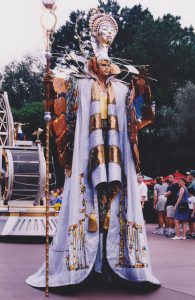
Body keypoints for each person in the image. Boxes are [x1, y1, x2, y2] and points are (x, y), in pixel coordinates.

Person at [26, 8, 159, 287]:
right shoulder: (82, 87)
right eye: (101, 62)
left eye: (109, 63)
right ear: (92, 64)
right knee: (90, 209)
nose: (106, 66)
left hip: (117, 159)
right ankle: (86, 265)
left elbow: (138, 120)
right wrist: (52, 87)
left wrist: (144, 91)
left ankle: (112, 264)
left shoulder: (122, 90)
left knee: (112, 208)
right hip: (90, 159)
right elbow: (64, 104)